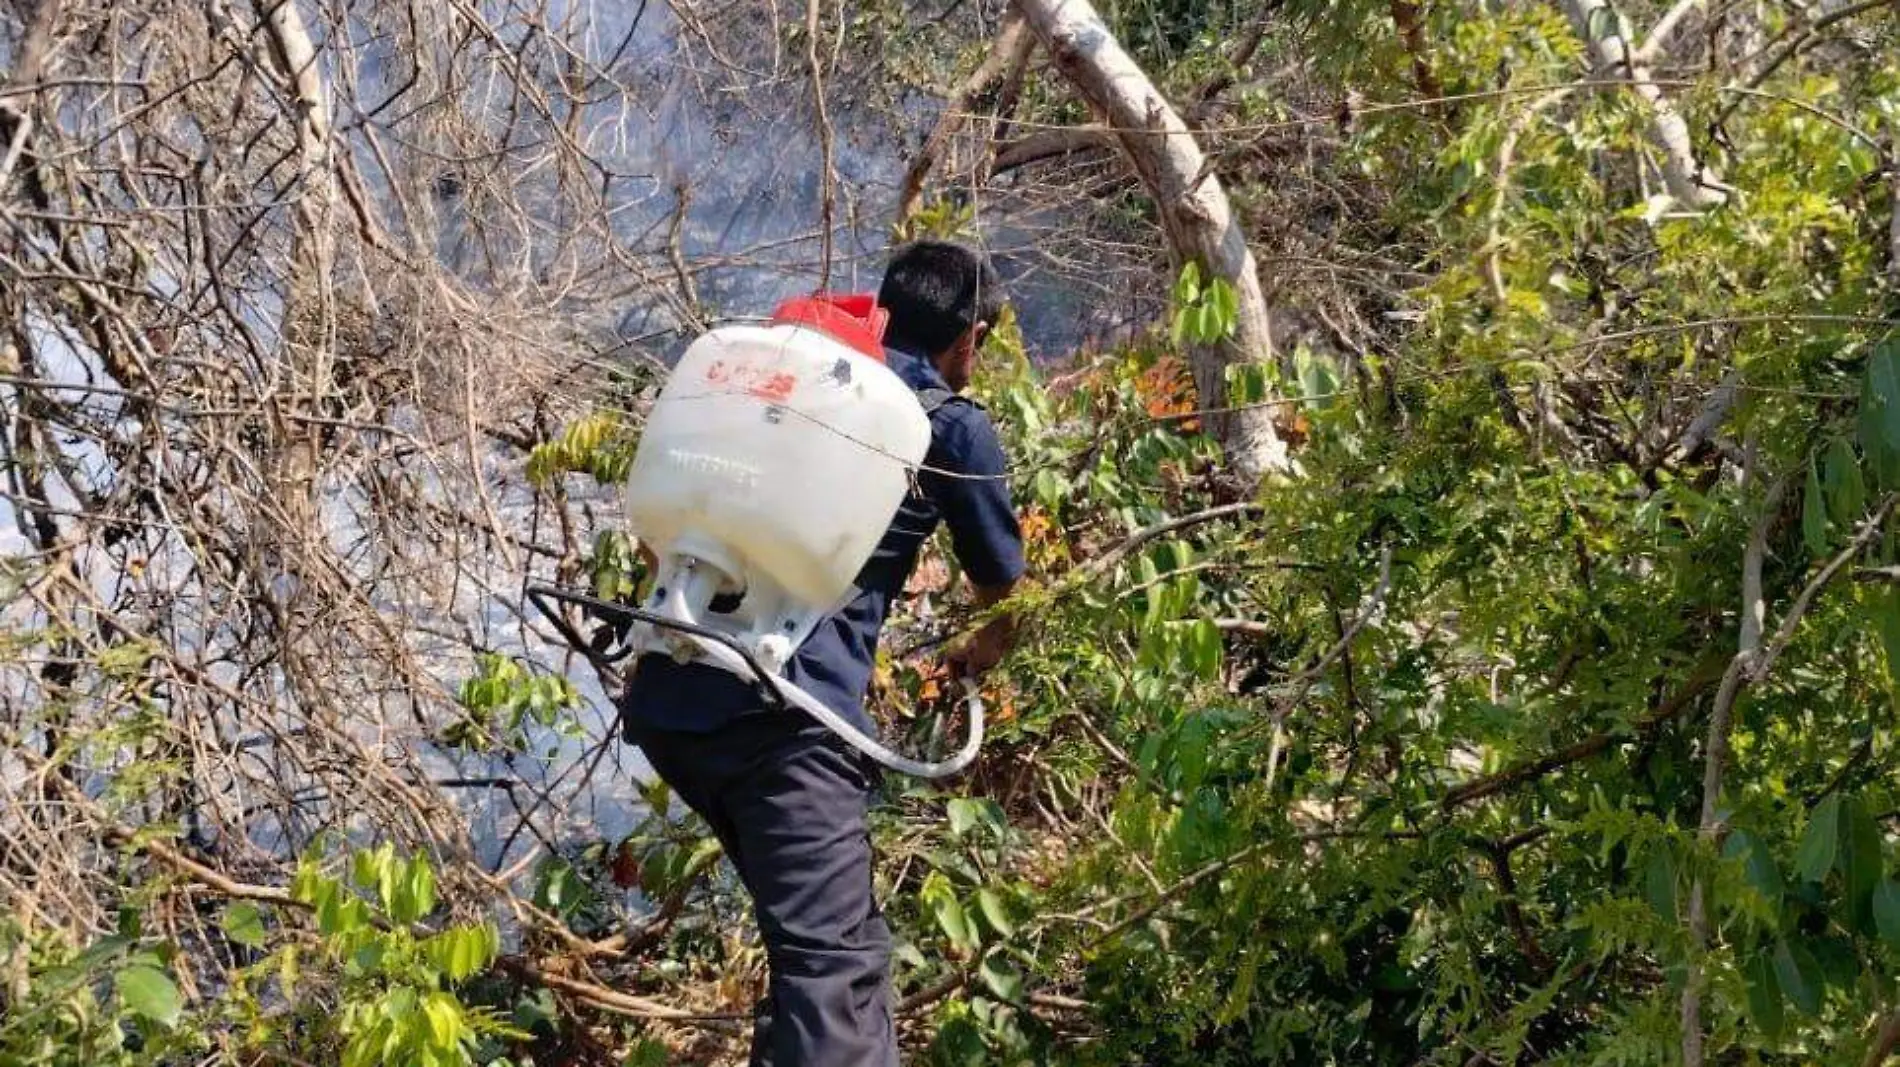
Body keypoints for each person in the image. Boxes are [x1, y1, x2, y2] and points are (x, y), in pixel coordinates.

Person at [619, 239, 1026, 1067]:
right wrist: (977, 655)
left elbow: (661, 548)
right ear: (971, 340)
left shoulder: (794, 388)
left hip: (670, 703)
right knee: (833, 971)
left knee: (814, 947)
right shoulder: (949, 424)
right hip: (784, 729)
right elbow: (1006, 598)